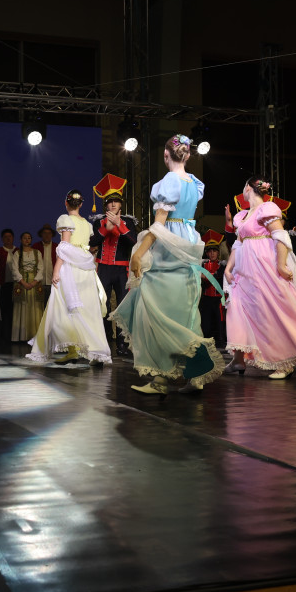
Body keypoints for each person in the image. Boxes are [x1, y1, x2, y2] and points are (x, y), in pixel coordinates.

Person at [110, 135, 224, 396]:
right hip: (187, 245)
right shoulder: (194, 183)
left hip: (168, 247)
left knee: (155, 310)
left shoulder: (170, 181)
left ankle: (163, 377)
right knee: (184, 309)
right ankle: (193, 376)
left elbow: (160, 224)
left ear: (165, 155)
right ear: (187, 155)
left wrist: (139, 252)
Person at [223, 177, 296, 379]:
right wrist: (229, 268)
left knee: (270, 310)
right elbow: (238, 244)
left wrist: (281, 265)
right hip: (244, 270)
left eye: (244, 186)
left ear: (248, 188)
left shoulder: (266, 208)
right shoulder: (242, 215)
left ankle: (284, 362)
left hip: (263, 266)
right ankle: (239, 359)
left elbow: (281, 237)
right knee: (238, 309)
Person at [28, 189, 110, 365]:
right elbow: (82, 247)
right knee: (87, 309)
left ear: (66, 203)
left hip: (71, 268)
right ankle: (94, 352)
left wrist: (56, 270)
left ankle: (76, 350)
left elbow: (64, 247)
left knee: (65, 307)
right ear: (81, 204)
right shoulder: (87, 224)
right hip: (85, 270)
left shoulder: (65, 220)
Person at [90, 174, 137, 356]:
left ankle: (123, 345)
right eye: (110, 202)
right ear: (106, 204)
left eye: (116, 201)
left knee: (123, 308)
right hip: (103, 268)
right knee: (103, 307)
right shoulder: (98, 222)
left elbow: (134, 242)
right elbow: (93, 241)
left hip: (122, 269)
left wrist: (119, 225)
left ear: (121, 204)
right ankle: (104, 342)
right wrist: (105, 228)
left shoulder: (129, 222)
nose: (113, 205)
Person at [9, 231, 44, 341]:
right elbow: (14, 269)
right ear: (21, 240)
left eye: (29, 238)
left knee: (35, 308)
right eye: (25, 238)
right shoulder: (17, 253)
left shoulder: (37, 252)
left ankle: (35, 335)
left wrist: (34, 282)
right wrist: (23, 282)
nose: (27, 240)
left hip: (34, 283)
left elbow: (41, 268)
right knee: (22, 307)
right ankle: (22, 336)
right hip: (22, 283)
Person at [199, 230, 226, 348]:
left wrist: (204, 276)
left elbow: (217, 276)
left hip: (218, 299)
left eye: (214, 251)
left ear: (218, 252)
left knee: (220, 322)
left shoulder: (223, 265)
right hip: (205, 299)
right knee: (205, 323)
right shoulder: (202, 265)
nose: (212, 253)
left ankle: (221, 342)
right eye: (209, 251)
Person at [0, 228, 16, 343]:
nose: (8, 239)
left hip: (16, 286)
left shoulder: (18, 251)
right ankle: (4, 336)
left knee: (14, 311)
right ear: (2, 239)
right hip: (3, 285)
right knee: (4, 311)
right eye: (5, 237)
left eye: (10, 236)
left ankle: (14, 335)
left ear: (13, 238)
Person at [33, 224, 57, 302]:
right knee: (39, 305)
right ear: (41, 235)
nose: (47, 235)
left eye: (49, 233)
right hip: (38, 282)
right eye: (45, 233)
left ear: (52, 235)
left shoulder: (57, 247)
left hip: (53, 282)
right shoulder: (35, 247)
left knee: (52, 305)